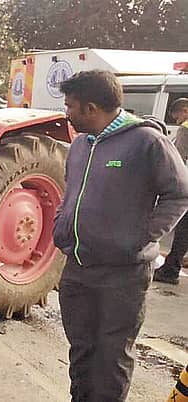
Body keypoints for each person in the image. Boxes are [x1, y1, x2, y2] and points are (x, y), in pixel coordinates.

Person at [53, 70, 188, 402]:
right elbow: (71, 193)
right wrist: (61, 224)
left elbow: (179, 194)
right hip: (78, 268)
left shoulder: (147, 142)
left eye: (70, 106)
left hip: (123, 274)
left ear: (91, 108)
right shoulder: (80, 145)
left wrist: (139, 237)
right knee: (81, 350)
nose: (66, 113)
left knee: (111, 356)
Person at [154, 97, 188, 284]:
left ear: (185, 110)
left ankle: (170, 271)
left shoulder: (185, 128)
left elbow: (178, 160)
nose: (178, 121)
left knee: (183, 230)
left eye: (177, 117)